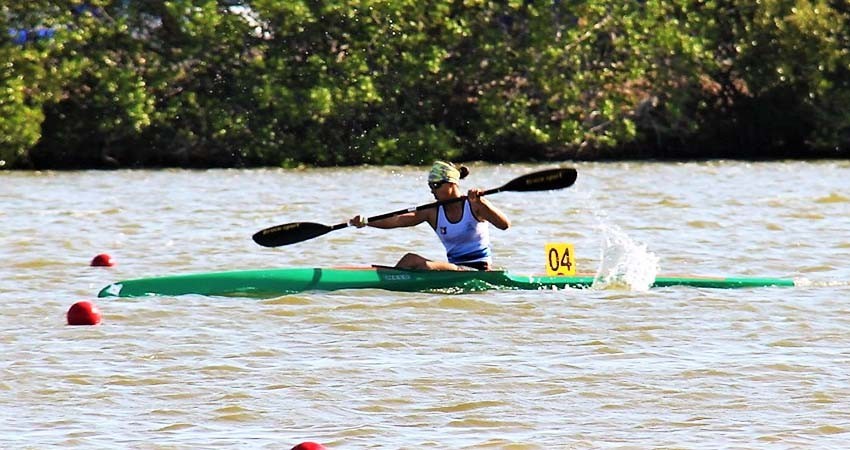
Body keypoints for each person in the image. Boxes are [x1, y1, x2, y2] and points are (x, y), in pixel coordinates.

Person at [349, 161, 510, 271]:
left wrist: (482, 202)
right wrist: (367, 222)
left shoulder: (474, 205)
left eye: (435, 185)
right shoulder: (432, 212)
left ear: (451, 184)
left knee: (411, 260)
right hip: (455, 268)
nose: (432, 190)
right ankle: (389, 278)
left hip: (479, 270)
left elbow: (504, 225)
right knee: (410, 260)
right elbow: (397, 220)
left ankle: (390, 281)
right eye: (430, 186)